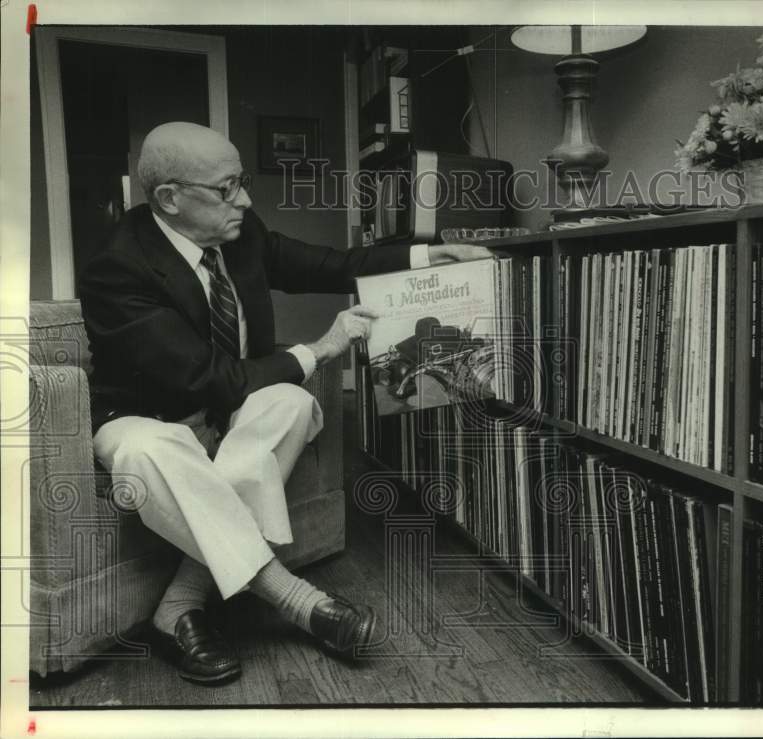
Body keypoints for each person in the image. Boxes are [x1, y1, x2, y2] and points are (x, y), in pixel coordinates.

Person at [78, 121, 492, 685]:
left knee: (294, 405)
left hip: (228, 410)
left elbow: (332, 264)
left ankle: (177, 608)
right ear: (169, 199)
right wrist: (321, 349)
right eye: (226, 189)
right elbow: (206, 379)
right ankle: (297, 600)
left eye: (242, 181)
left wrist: (426, 254)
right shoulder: (117, 264)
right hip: (147, 419)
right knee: (149, 452)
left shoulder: (242, 235)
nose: (245, 199)